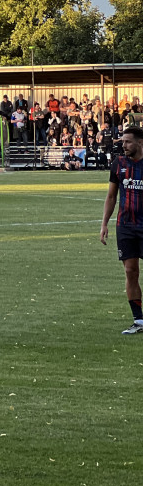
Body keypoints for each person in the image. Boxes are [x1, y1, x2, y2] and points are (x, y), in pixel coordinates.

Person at [101, 126, 143, 334]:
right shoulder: (119, 164)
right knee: (130, 271)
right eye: (122, 142)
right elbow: (111, 196)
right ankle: (139, 321)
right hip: (125, 226)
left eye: (127, 142)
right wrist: (104, 224)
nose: (123, 145)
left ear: (139, 143)